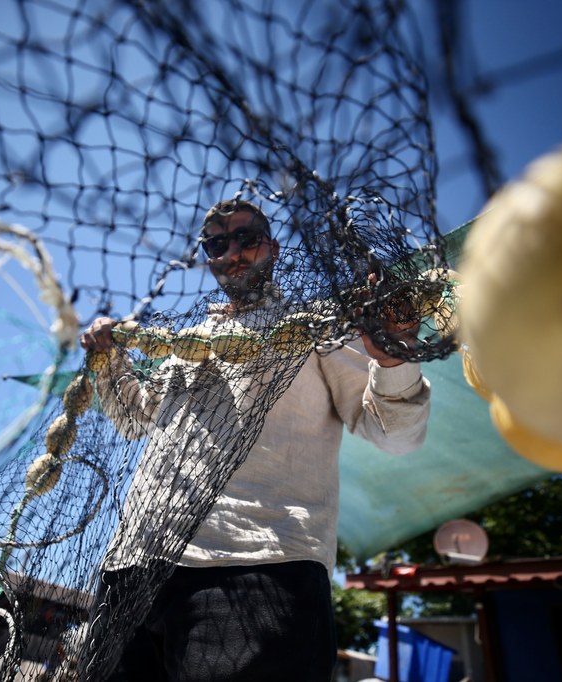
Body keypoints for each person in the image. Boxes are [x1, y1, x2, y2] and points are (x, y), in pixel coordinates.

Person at [77, 198, 431, 681]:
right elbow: (136, 419)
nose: (233, 252)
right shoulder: (189, 343)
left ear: (274, 248)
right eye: (217, 243)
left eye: (247, 239)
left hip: (259, 562)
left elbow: (395, 435)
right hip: (134, 565)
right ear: (207, 257)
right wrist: (108, 360)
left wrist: (393, 357)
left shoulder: (315, 327)